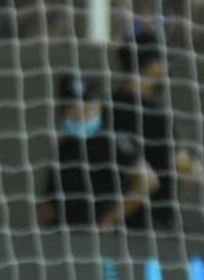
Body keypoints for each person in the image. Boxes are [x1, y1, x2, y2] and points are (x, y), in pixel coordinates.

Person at [108, 30, 204, 230]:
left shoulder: (105, 108)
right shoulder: (155, 116)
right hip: (153, 229)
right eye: (163, 62)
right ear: (151, 66)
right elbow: (185, 168)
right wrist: (194, 166)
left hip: (112, 227)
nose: (166, 69)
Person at [36, 73, 156, 230]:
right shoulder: (66, 146)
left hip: (104, 239)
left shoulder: (113, 140)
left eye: (87, 108)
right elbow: (50, 200)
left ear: (99, 107)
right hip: (67, 235)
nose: (80, 114)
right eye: (72, 109)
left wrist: (111, 218)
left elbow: (147, 181)